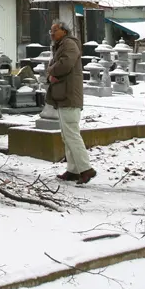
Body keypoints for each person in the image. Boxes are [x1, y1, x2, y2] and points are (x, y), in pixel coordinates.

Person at [46, 19, 96, 184]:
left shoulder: (69, 44)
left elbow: (65, 64)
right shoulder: (62, 44)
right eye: (51, 31)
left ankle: (85, 168)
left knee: (72, 134)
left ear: (64, 31)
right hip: (63, 94)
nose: (52, 34)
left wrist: (50, 70)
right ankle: (73, 170)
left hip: (69, 95)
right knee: (66, 135)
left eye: (54, 30)